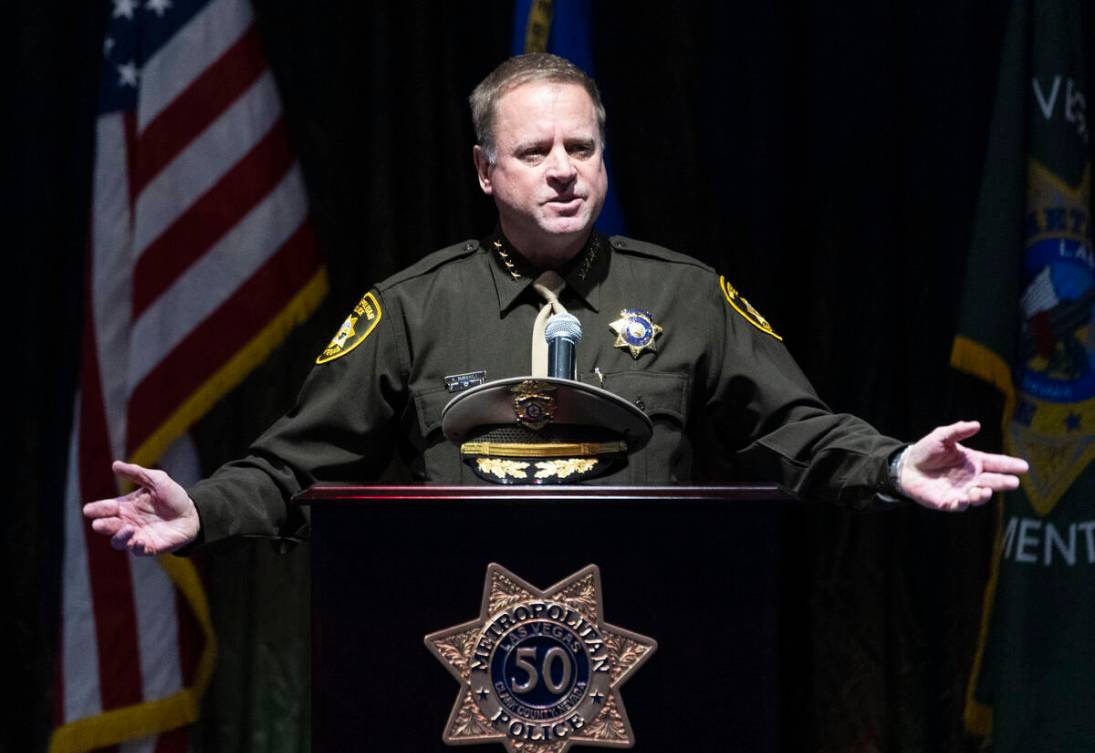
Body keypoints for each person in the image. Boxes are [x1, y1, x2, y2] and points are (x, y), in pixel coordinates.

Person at [84, 54, 1029, 556]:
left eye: (581, 148)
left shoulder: (684, 294)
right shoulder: (413, 307)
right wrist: (202, 511)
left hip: (651, 631)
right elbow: (293, 464)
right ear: (485, 172)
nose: (565, 171)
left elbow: (800, 429)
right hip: (455, 635)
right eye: (535, 153)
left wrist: (895, 462)